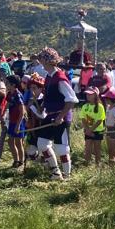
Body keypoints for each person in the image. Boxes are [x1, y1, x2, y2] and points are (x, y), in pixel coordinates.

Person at [37, 46, 79, 179]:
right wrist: (43, 106)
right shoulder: (49, 77)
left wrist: (60, 117)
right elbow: (50, 95)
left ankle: (67, 176)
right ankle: (56, 172)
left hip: (62, 116)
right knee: (42, 144)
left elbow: (72, 100)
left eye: (43, 60)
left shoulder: (60, 77)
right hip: (50, 115)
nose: (41, 62)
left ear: (49, 61)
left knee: (62, 148)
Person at [4, 75, 27, 168]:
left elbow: (22, 112)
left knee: (18, 142)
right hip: (12, 121)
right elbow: (8, 105)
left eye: (7, 83)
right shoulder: (10, 94)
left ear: (13, 84)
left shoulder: (18, 95)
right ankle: (16, 160)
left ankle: (21, 161)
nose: (5, 84)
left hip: (19, 121)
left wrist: (18, 125)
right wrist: (3, 115)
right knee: (10, 141)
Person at [80, 85, 106, 166]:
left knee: (97, 149)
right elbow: (83, 119)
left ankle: (97, 165)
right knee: (87, 148)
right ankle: (86, 164)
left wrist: (91, 130)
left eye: (90, 94)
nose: (88, 96)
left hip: (97, 131)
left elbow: (100, 120)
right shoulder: (85, 106)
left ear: (95, 95)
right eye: (87, 94)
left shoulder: (100, 107)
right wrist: (87, 130)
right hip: (88, 131)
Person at [103, 88, 115, 164]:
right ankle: (111, 166)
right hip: (108, 130)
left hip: (114, 131)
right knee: (110, 150)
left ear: (110, 99)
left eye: (106, 98)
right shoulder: (108, 108)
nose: (105, 100)